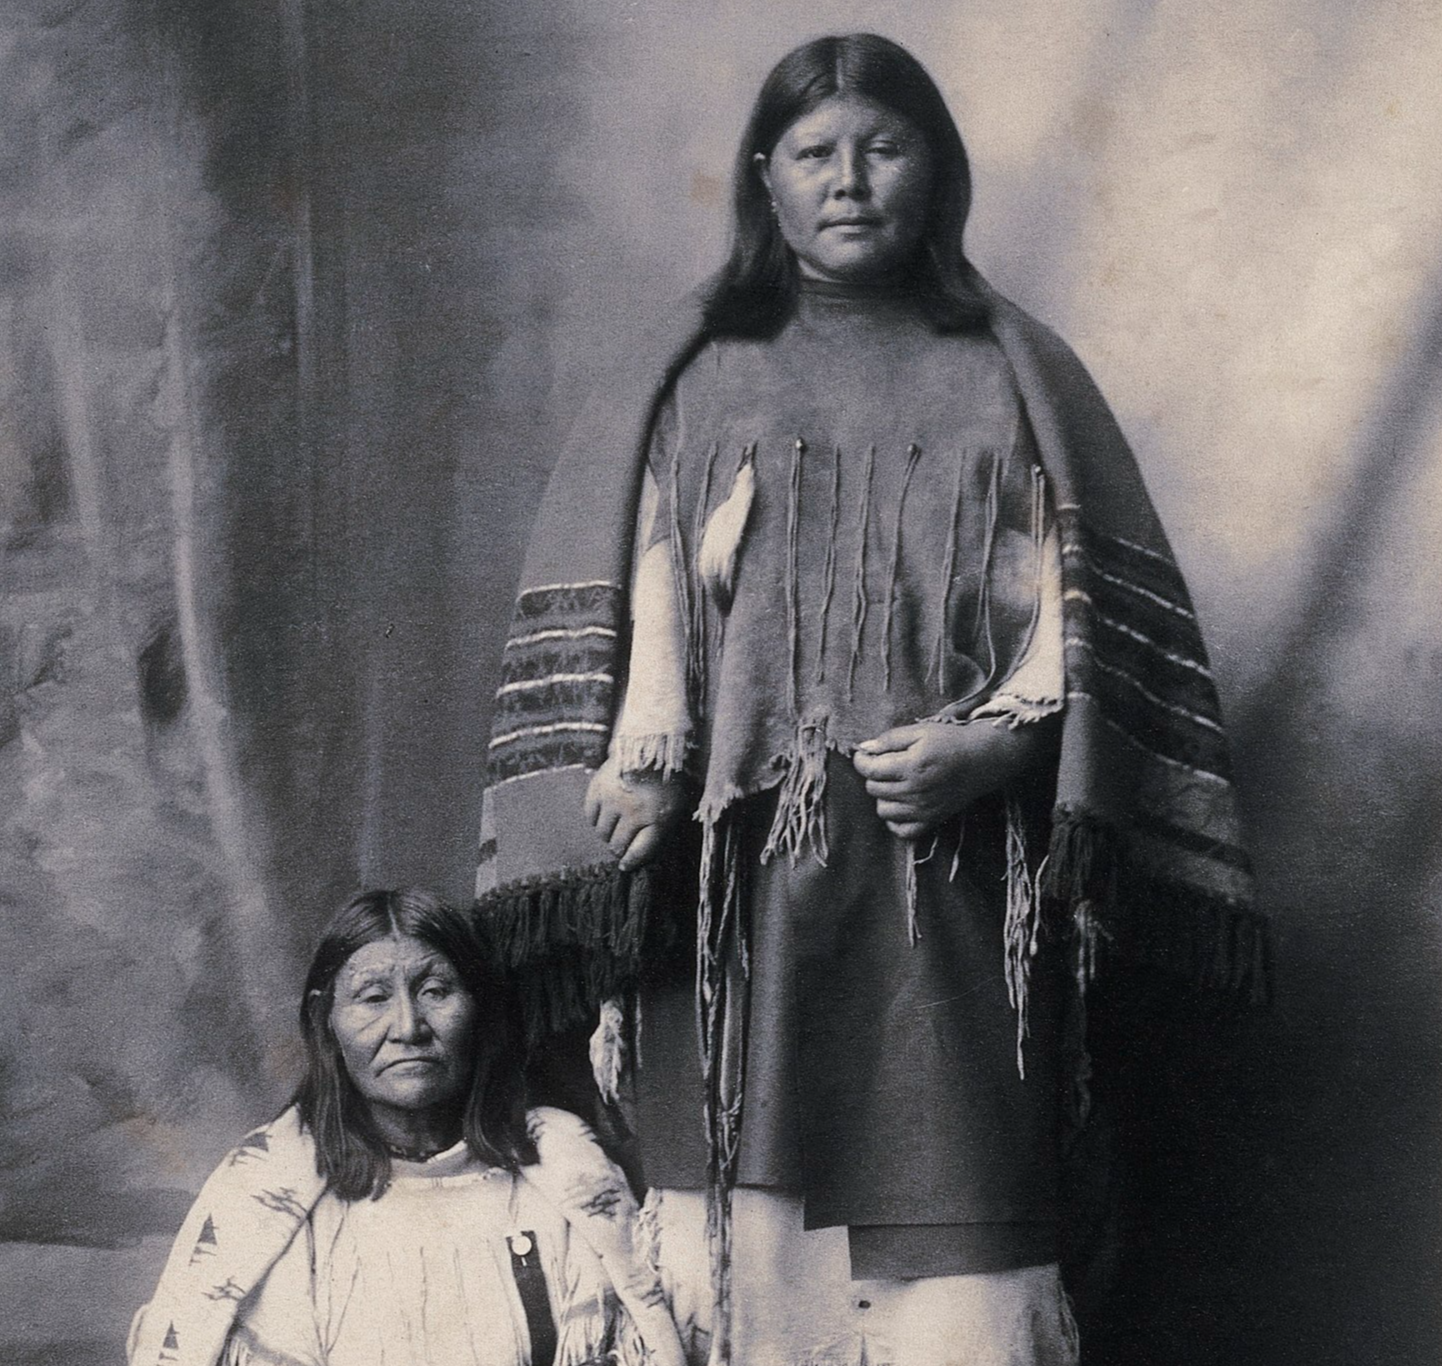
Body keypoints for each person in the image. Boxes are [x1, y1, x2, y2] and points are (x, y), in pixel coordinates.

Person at [476, 33, 1269, 1366]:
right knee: (735, 1244)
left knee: (954, 1255)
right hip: (730, 902)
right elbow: (653, 578)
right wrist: (649, 745)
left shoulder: (1011, 378)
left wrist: (993, 748)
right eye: (813, 153)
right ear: (763, 181)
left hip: (945, 889)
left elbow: (1065, 625)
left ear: (937, 173)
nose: (849, 181)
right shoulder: (693, 377)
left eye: (882, 146)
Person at [125, 888, 688, 1366]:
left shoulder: (564, 1171)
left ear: (481, 1008)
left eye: (435, 991)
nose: (408, 1027)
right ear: (327, 1020)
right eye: (373, 997)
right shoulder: (264, 1192)